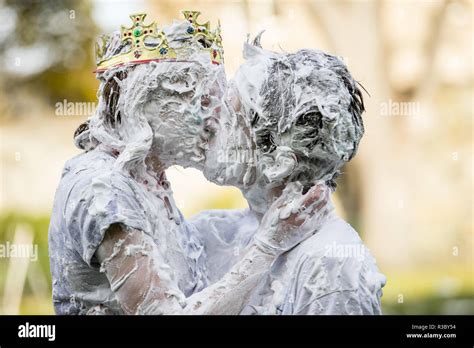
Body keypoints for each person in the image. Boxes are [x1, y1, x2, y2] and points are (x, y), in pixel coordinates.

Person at [48, 12, 331, 315]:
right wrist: (267, 245)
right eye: (196, 98)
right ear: (141, 102)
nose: (216, 115)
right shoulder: (102, 189)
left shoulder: (147, 179)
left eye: (216, 98)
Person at [191, 37, 387, 314]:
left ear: (279, 161)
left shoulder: (332, 263)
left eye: (231, 118)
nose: (211, 122)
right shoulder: (213, 231)